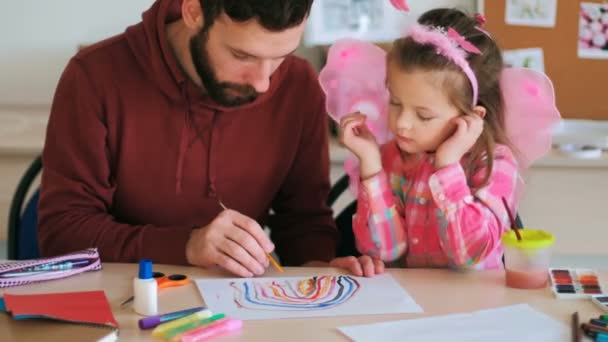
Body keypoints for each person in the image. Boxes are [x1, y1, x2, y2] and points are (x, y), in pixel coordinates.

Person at [38, 0, 381, 278]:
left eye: (280, 58)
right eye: (242, 56)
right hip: (125, 301)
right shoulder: (94, 76)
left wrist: (316, 269)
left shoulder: (298, 85)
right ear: (193, 12)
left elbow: (303, 219)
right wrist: (186, 246)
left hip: (239, 308)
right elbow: (63, 232)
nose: (263, 83)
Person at [339, 8, 521, 270]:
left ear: (473, 117)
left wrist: (447, 166)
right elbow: (384, 250)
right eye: (396, 102)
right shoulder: (391, 157)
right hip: (413, 300)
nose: (402, 123)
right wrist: (371, 166)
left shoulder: (495, 162)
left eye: (423, 116)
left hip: (476, 303)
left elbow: (471, 255)